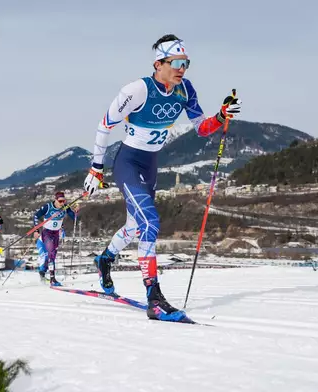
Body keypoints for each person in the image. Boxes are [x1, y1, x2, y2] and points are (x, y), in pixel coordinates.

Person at [82, 34, 241, 322]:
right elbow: (104, 126)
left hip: (150, 164)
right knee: (151, 222)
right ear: (159, 63)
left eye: (186, 63)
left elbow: (201, 128)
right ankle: (153, 298)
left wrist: (220, 115)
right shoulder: (137, 90)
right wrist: (96, 168)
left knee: (134, 225)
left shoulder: (185, 90)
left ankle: (104, 258)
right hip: (128, 162)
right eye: (177, 62)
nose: (183, 68)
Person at [33, 191, 77, 286]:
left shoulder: (65, 207)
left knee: (52, 255)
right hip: (47, 233)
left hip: (56, 233)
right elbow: (36, 216)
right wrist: (36, 230)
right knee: (51, 254)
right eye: (60, 201)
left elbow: (74, 217)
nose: (62, 203)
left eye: (63, 201)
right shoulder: (48, 207)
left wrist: (75, 212)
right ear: (55, 200)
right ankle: (53, 279)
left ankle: (42, 271)